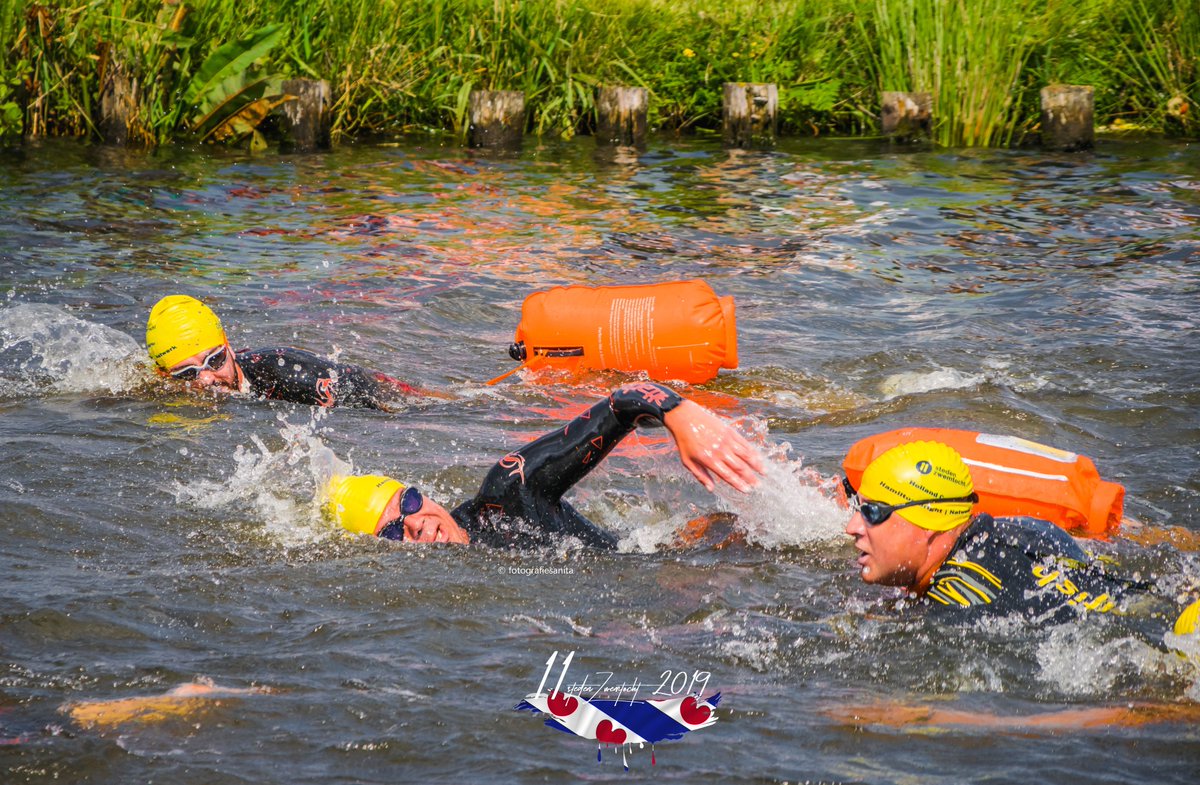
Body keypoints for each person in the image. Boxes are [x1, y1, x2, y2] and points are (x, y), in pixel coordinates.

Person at [324, 382, 766, 548]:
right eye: (393, 531)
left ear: (423, 492)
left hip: (702, 548)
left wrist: (680, 415)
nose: (417, 524)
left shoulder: (506, 493)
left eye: (410, 502)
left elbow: (625, 400)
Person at [842, 439, 1199, 629]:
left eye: (872, 512)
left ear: (932, 519)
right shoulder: (1024, 529)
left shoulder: (958, 604)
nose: (853, 527)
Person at [145, 294, 440, 410]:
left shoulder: (293, 376)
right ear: (165, 375)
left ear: (228, 345)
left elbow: (382, 400)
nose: (207, 379)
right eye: (187, 374)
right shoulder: (161, 387)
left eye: (216, 360)